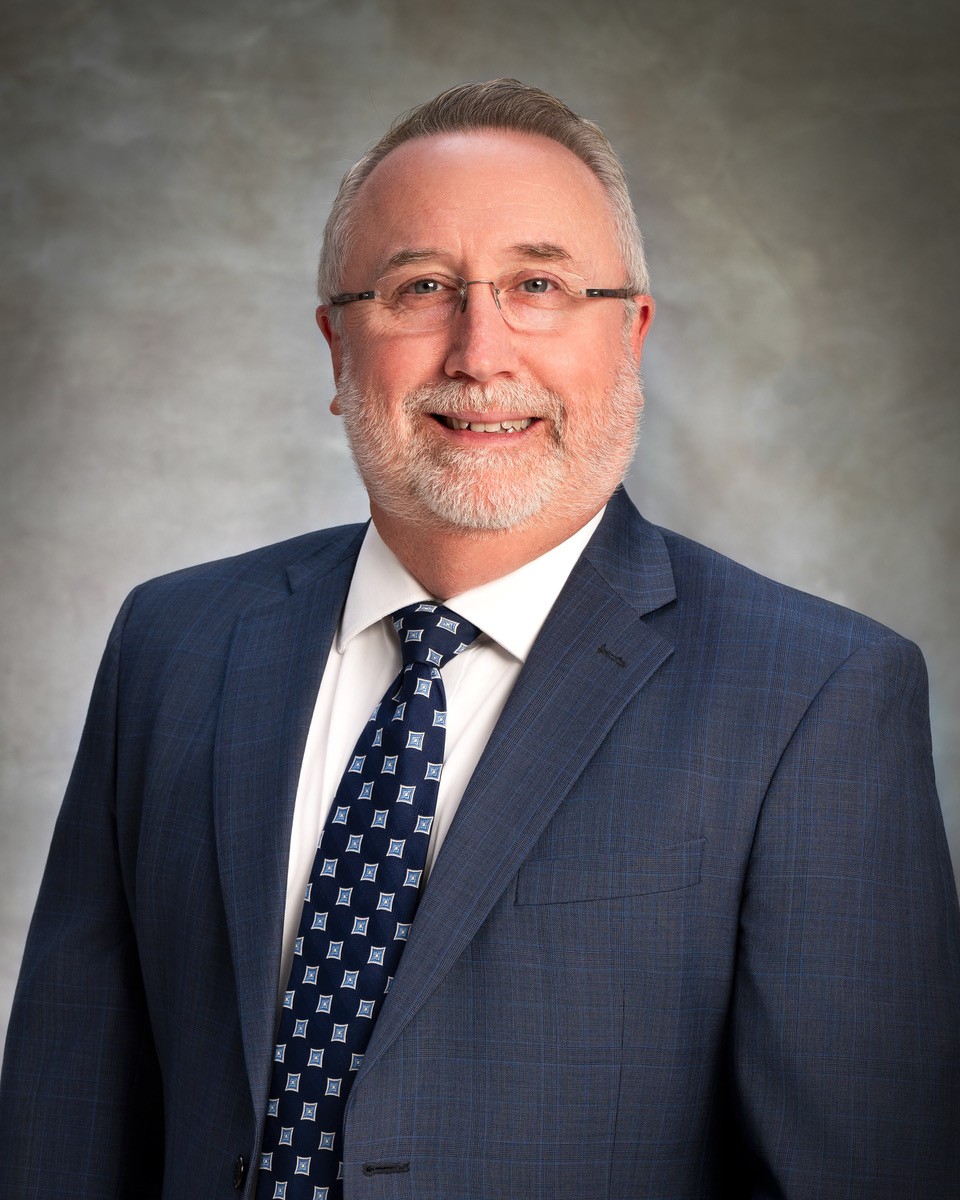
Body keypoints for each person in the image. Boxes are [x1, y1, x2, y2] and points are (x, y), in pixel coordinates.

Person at [1, 78, 958, 1200]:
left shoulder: (818, 696)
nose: (480, 352)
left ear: (631, 332)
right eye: (421, 288)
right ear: (337, 345)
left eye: (538, 285)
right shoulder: (174, 644)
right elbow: (64, 1117)